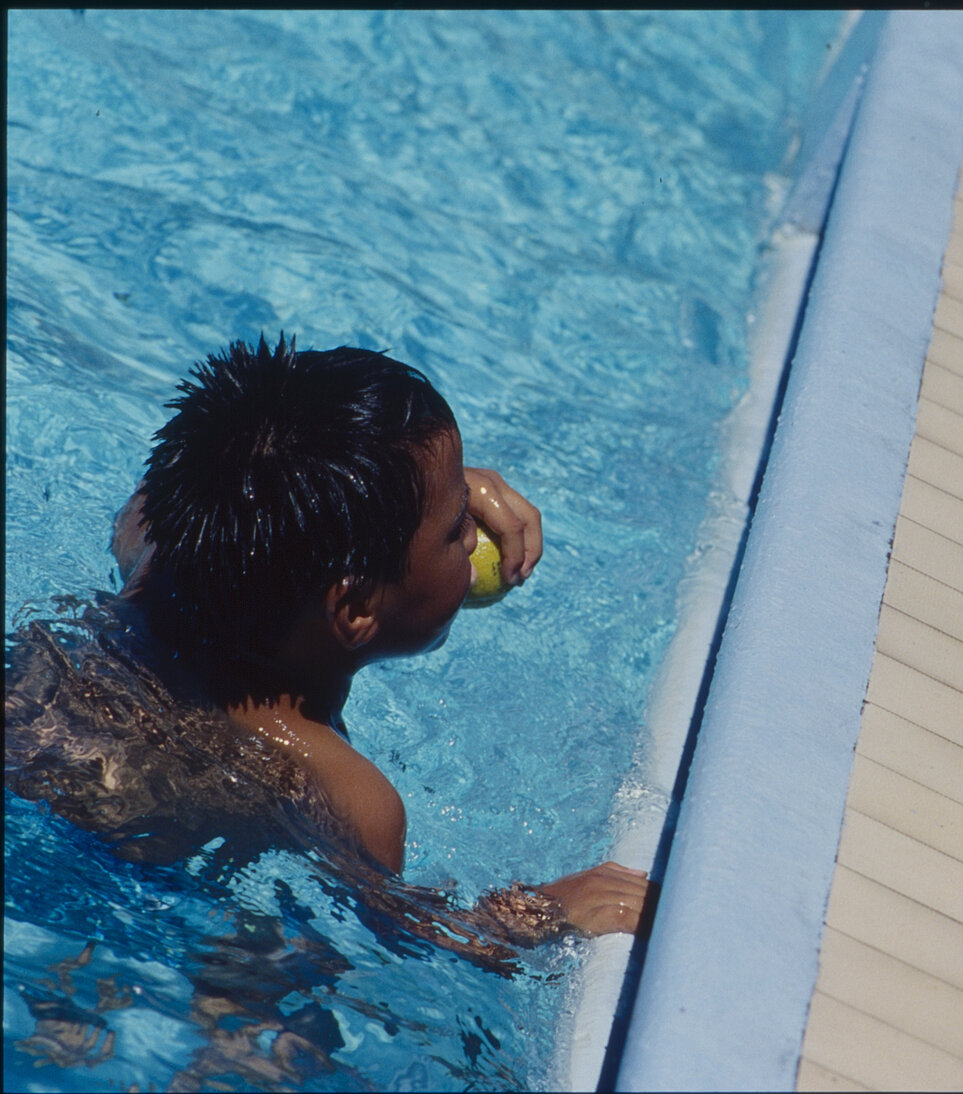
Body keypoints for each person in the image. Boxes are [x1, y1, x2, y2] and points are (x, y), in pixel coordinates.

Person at [6, 334, 650, 961]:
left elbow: (151, 501)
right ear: (357, 608)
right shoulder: (342, 794)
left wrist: (433, 492)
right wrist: (543, 911)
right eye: (458, 528)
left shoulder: (163, 552)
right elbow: (398, 936)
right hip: (101, 903)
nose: (476, 523)